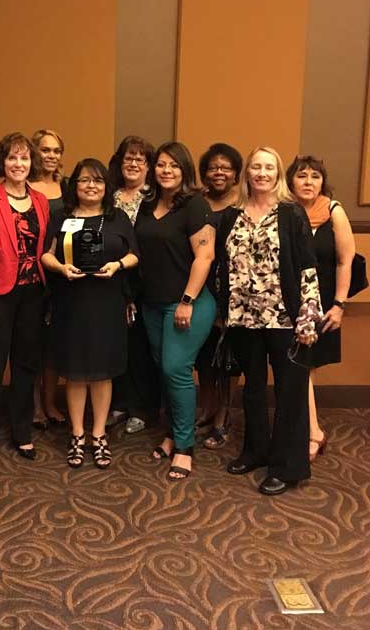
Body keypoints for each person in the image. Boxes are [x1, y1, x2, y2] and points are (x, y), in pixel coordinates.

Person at [215, 146, 322, 496]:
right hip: (244, 318)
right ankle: (256, 450)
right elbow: (222, 268)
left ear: (278, 174)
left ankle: (288, 466)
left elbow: (308, 268)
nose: (262, 173)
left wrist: (308, 319)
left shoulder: (291, 214)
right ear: (247, 173)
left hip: (284, 317)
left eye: (269, 167)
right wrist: (222, 313)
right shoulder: (232, 215)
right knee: (254, 388)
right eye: (256, 167)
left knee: (290, 390)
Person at [42, 158, 139, 469]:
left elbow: (135, 254)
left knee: (102, 370)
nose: (91, 186)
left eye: (97, 180)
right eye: (84, 180)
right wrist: (59, 267)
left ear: (106, 186)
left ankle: (98, 435)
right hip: (70, 301)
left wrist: (117, 265)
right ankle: (77, 433)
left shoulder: (118, 218)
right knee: (75, 370)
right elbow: (45, 254)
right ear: (75, 185)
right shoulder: (61, 216)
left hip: (107, 302)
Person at [0, 133, 49, 472]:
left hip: (33, 293)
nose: (19, 164)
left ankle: (21, 431)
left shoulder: (42, 200)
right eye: (13, 158)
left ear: (32, 163)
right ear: (2, 163)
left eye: (25, 159)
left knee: (26, 367)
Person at [135, 142, 216, 481]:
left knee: (176, 369)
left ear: (185, 170)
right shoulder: (148, 203)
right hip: (151, 303)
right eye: (161, 165)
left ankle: (184, 447)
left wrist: (186, 300)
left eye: (174, 165)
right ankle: (172, 434)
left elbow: (205, 256)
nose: (166, 171)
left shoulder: (195, 205)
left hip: (187, 304)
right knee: (163, 370)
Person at [287, 155, 355, 462]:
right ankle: (310, 429)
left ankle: (312, 431)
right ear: (291, 181)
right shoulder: (284, 211)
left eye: (315, 176)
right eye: (302, 176)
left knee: (304, 365)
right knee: (300, 364)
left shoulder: (333, 211)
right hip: (290, 300)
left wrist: (339, 304)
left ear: (322, 182)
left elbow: (345, 259)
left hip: (324, 300)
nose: (308, 182)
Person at [106, 135, 158, 433]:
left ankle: (142, 407)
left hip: (144, 283)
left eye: (141, 158)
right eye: (129, 157)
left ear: (149, 166)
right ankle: (120, 402)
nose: (134, 163)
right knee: (117, 344)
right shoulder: (109, 195)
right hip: (112, 281)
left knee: (140, 347)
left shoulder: (155, 198)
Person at [195, 143, 243, 450]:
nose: (219, 172)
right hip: (201, 288)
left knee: (229, 357)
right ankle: (209, 407)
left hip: (235, 290)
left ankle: (224, 416)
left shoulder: (245, 203)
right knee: (204, 355)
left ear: (236, 172)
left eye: (226, 167)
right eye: (213, 167)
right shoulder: (196, 203)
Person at [29, 129, 67, 428]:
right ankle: (33, 407)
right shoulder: (22, 186)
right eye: (45, 150)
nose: (51, 155)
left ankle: (50, 403)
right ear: (34, 152)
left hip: (62, 276)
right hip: (29, 275)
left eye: (56, 150)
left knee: (54, 346)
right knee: (31, 344)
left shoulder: (68, 187)